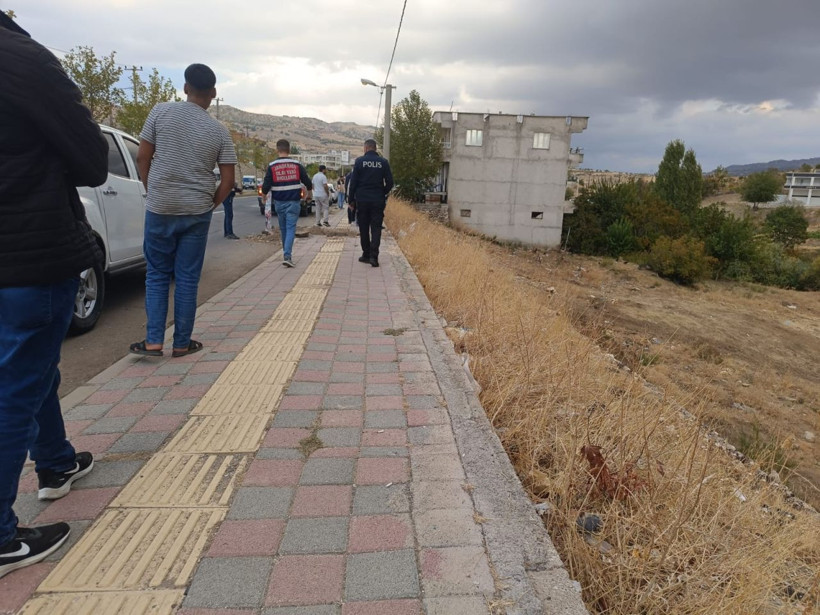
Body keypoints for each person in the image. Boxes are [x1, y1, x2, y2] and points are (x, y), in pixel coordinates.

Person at [0, 13, 104, 578]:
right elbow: (91, 160)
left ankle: (57, 464)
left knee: (31, 367)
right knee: (15, 385)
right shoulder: (23, 58)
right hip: (26, 250)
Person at [129, 63, 237, 358]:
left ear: (186, 87)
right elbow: (228, 180)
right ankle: (181, 343)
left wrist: (154, 190)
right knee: (188, 277)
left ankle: (153, 342)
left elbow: (142, 157)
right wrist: (209, 204)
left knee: (157, 274)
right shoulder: (219, 131)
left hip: (160, 206)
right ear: (213, 93)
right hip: (197, 210)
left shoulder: (160, 112)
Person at [261, 140, 312, 267]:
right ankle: (287, 256)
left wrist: (264, 197)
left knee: (283, 228)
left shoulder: (272, 166)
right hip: (293, 202)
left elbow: (266, 184)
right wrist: (309, 193)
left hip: (279, 203)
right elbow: (307, 180)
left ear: (277, 150)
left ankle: (286, 253)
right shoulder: (297, 164)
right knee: (290, 228)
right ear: (289, 150)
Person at [348, 139, 393, 267]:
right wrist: (382, 192)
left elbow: (353, 183)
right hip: (377, 200)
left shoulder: (359, 162)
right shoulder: (383, 162)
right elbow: (390, 182)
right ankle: (374, 257)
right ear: (375, 148)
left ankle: (366, 254)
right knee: (376, 228)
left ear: (366, 148)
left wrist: (351, 200)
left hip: (362, 200)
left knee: (363, 227)